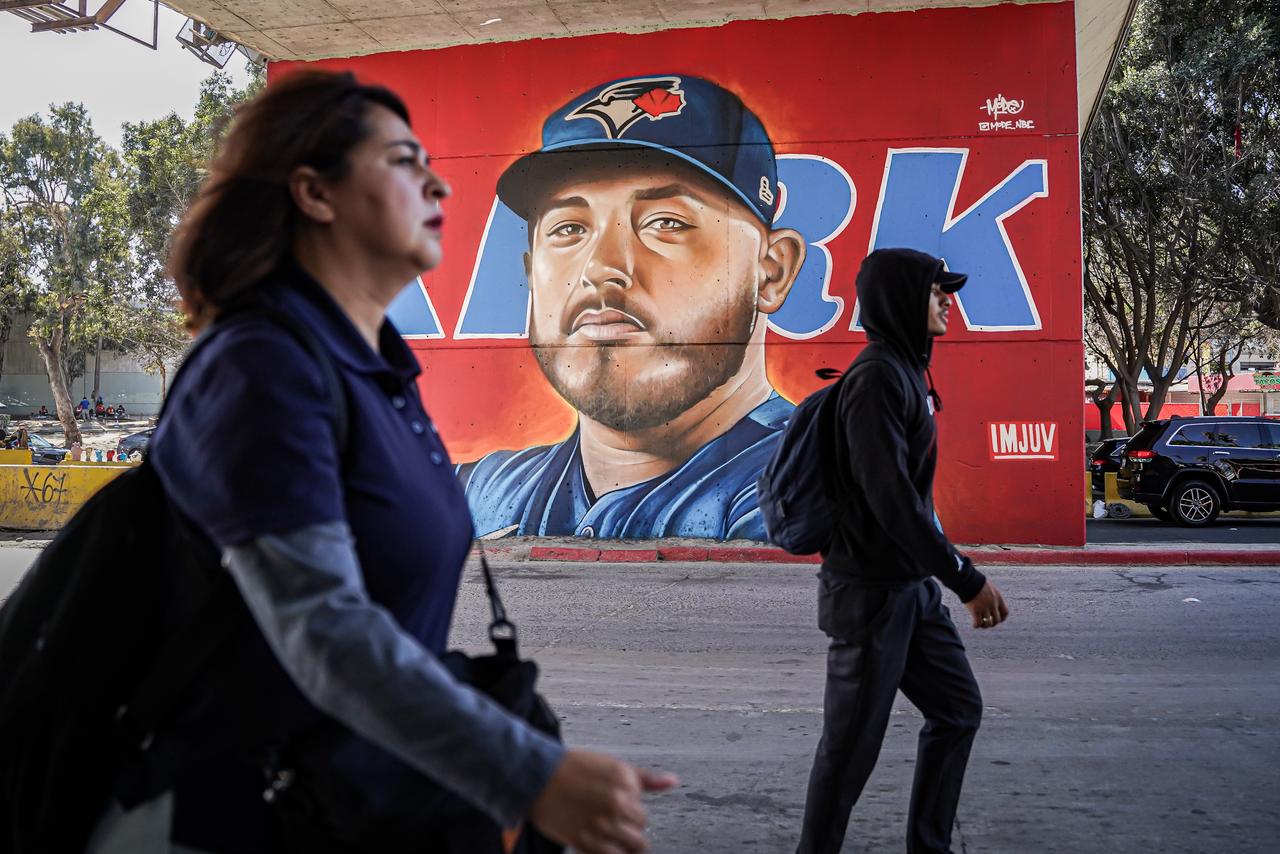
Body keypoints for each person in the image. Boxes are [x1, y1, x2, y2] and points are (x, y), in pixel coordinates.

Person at [86, 70, 675, 854]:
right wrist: (526, 773)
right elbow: (326, 629)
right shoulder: (263, 367)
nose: (436, 182)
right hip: (230, 816)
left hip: (348, 803)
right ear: (314, 193)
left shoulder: (374, 371)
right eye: (402, 160)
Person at [459, 74, 807, 540]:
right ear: (531, 273)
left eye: (665, 222)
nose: (601, 268)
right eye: (568, 229)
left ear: (771, 271)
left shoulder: (815, 479)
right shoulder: (486, 489)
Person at [795, 248, 1010, 854]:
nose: (948, 299)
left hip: (909, 593)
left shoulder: (906, 373)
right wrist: (965, 579)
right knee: (849, 754)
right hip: (868, 595)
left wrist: (937, 577)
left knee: (958, 709)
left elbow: (905, 499)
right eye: (937, 289)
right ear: (898, 299)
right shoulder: (877, 380)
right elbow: (891, 501)